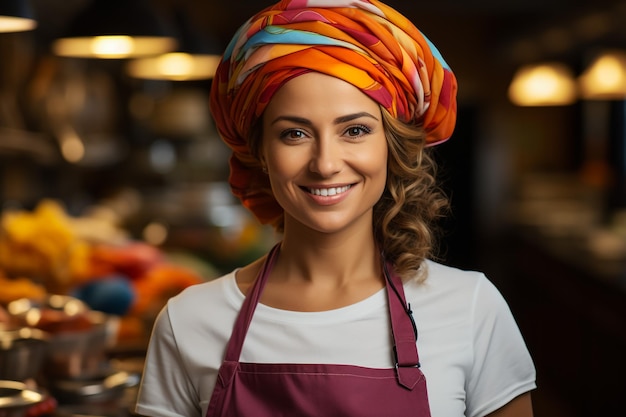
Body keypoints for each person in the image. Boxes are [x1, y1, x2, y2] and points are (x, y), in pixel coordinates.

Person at [134, 1, 536, 416]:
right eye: (294, 133)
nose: (325, 164)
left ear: (390, 148)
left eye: (355, 130)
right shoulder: (189, 321)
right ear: (261, 154)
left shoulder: (471, 309)